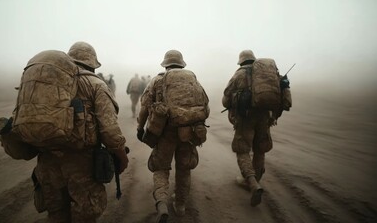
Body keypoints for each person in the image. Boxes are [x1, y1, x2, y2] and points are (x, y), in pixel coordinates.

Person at [34, 41, 129, 222]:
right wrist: (121, 156)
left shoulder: (47, 83)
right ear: (92, 63)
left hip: (47, 162)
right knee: (84, 216)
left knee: (56, 214)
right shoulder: (95, 84)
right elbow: (109, 130)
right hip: (81, 164)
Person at [137, 50, 209, 222]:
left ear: (165, 65)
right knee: (184, 169)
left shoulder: (157, 80)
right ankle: (181, 205)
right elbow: (205, 105)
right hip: (188, 132)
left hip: (164, 133)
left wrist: (140, 127)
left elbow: (145, 107)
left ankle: (162, 203)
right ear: (182, 64)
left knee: (161, 168)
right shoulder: (193, 80)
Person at [222, 49, 291, 207]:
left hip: (245, 119)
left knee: (242, 150)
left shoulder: (239, 74)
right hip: (265, 117)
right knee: (260, 150)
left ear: (241, 61)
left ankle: (252, 183)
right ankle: (255, 180)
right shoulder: (268, 74)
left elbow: (225, 100)